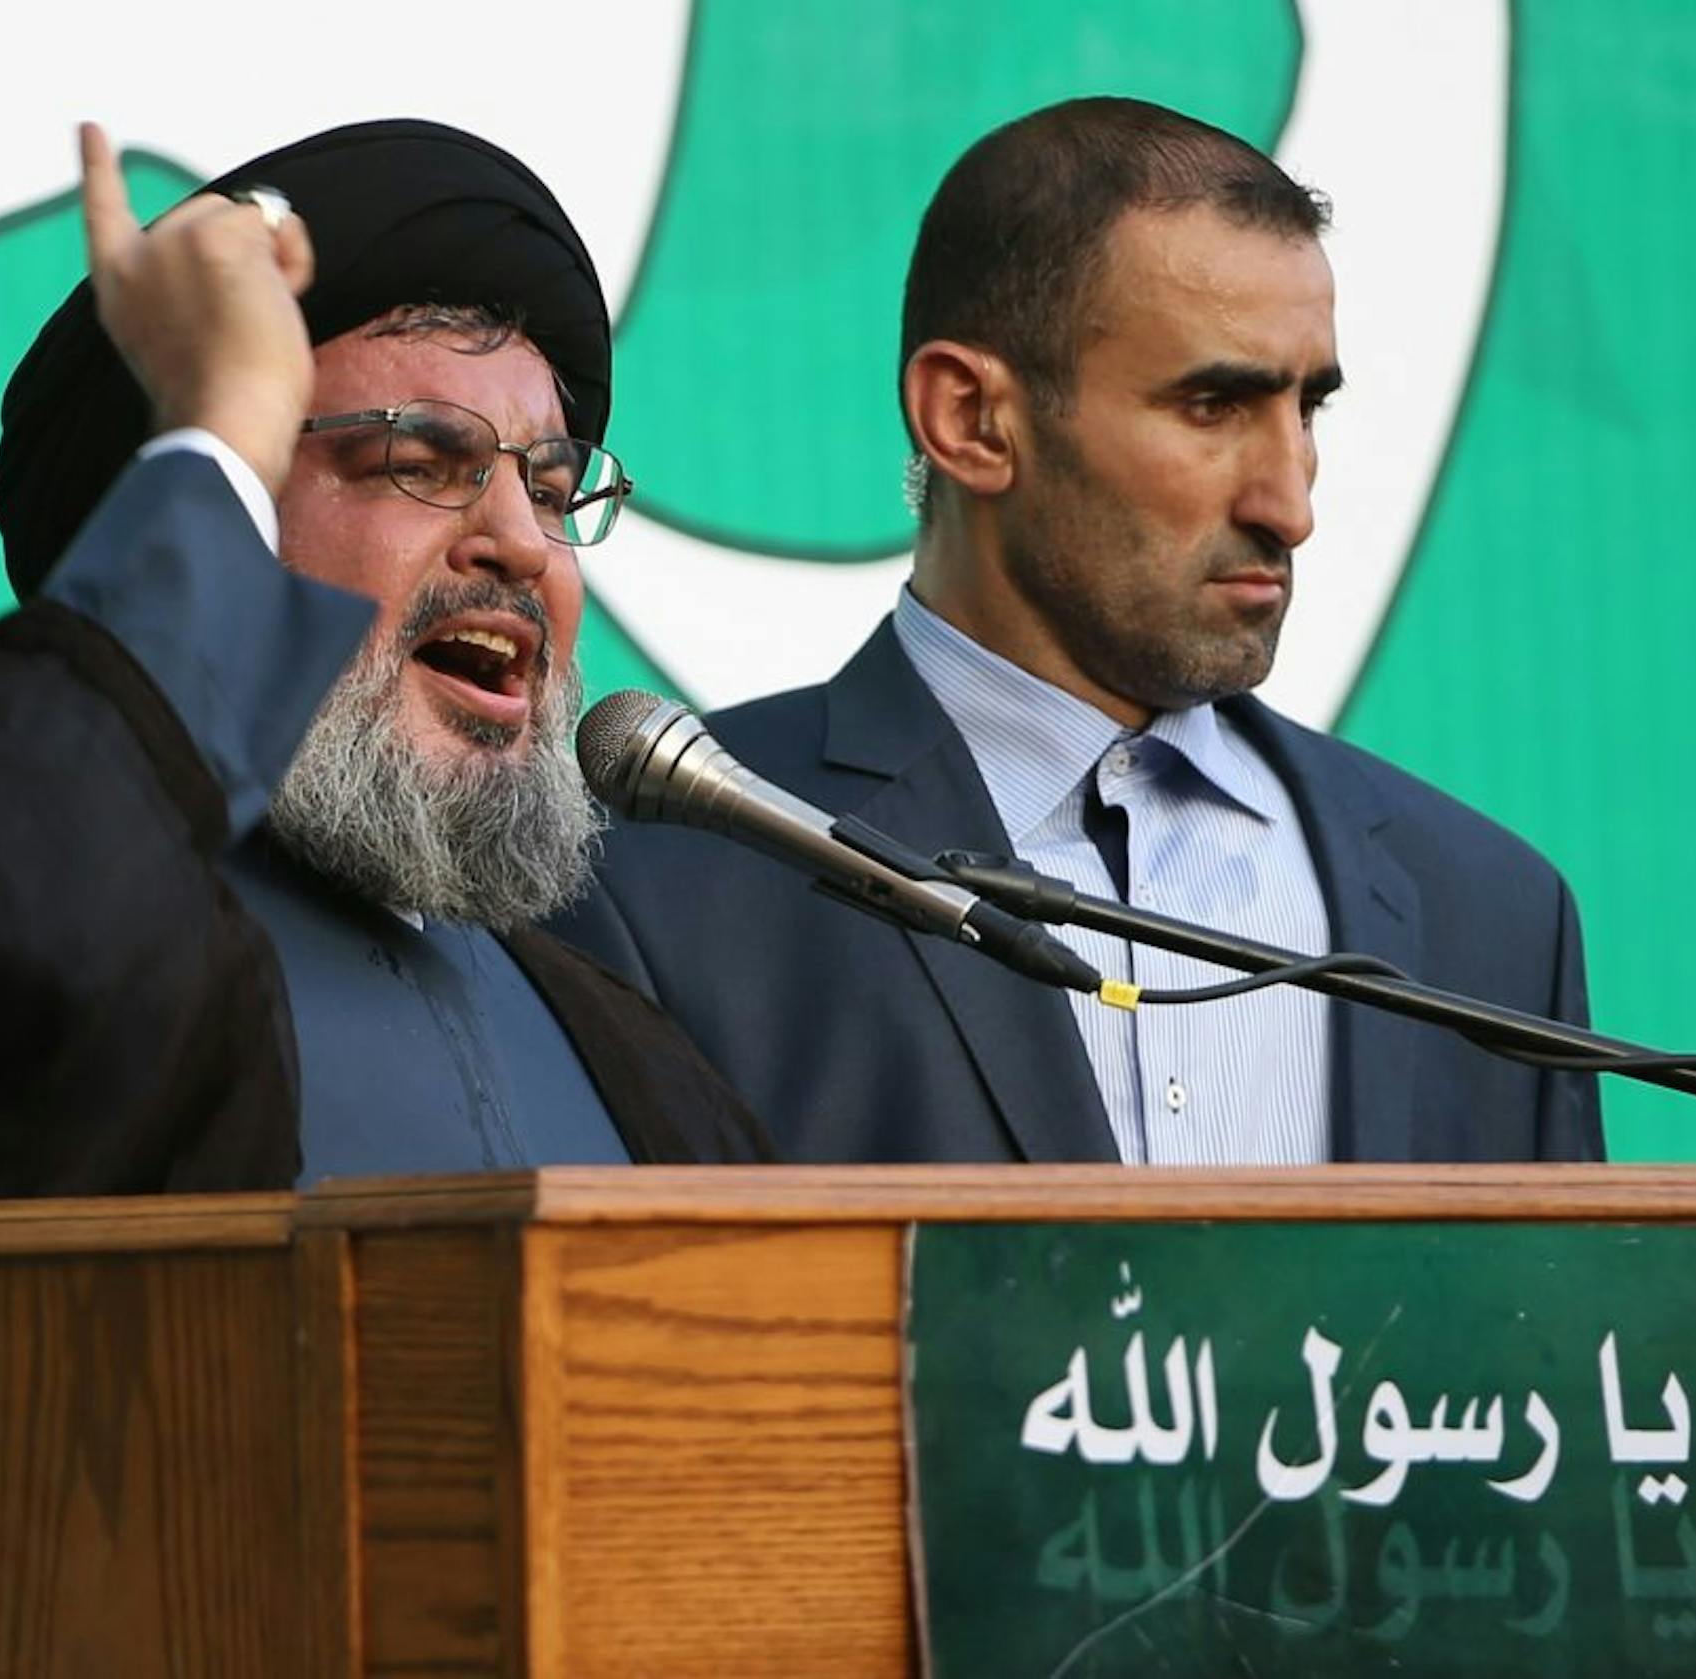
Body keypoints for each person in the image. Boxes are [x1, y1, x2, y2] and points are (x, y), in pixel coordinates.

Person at [0, 119, 769, 1206]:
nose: (522, 543)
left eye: (549, 486)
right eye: (422, 457)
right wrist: (224, 418)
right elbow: (9, 923)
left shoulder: (629, 1044)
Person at [556, 97, 1602, 1166]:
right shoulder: (655, 882)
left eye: (1309, 409)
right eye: (1213, 405)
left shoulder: (1491, 916)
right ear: (970, 418)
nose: (1291, 505)